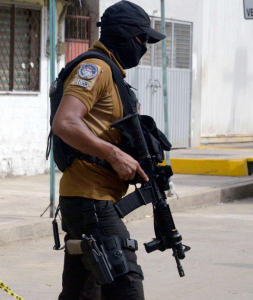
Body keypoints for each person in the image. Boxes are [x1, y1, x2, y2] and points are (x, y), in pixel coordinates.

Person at [51, 1, 166, 299]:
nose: (145, 47)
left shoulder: (112, 72)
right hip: (90, 199)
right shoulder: (95, 68)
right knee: (126, 288)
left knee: (83, 293)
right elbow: (64, 123)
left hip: (91, 199)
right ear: (128, 36)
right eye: (143, 40)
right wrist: (114, 155)